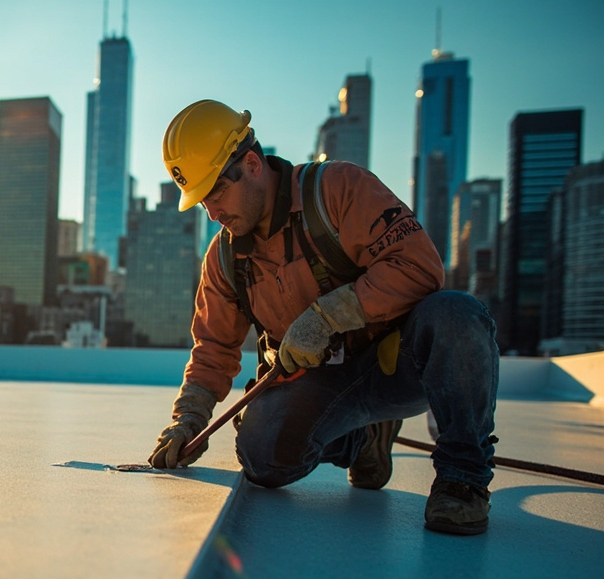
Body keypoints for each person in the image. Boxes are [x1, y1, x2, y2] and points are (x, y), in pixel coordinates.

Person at [148, 99, 499, 535]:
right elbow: (213, 347)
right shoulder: (224, 257)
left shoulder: (337, 190)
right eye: (202, 202)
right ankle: (364, 441)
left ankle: (462, 481)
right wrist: (188, 419)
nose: (213, 213)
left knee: (458, 315)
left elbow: (419, 266)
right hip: (322, 383)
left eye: (216, 192)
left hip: (399, 365)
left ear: (252, 164)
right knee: (261, 455)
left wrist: (329, 316)